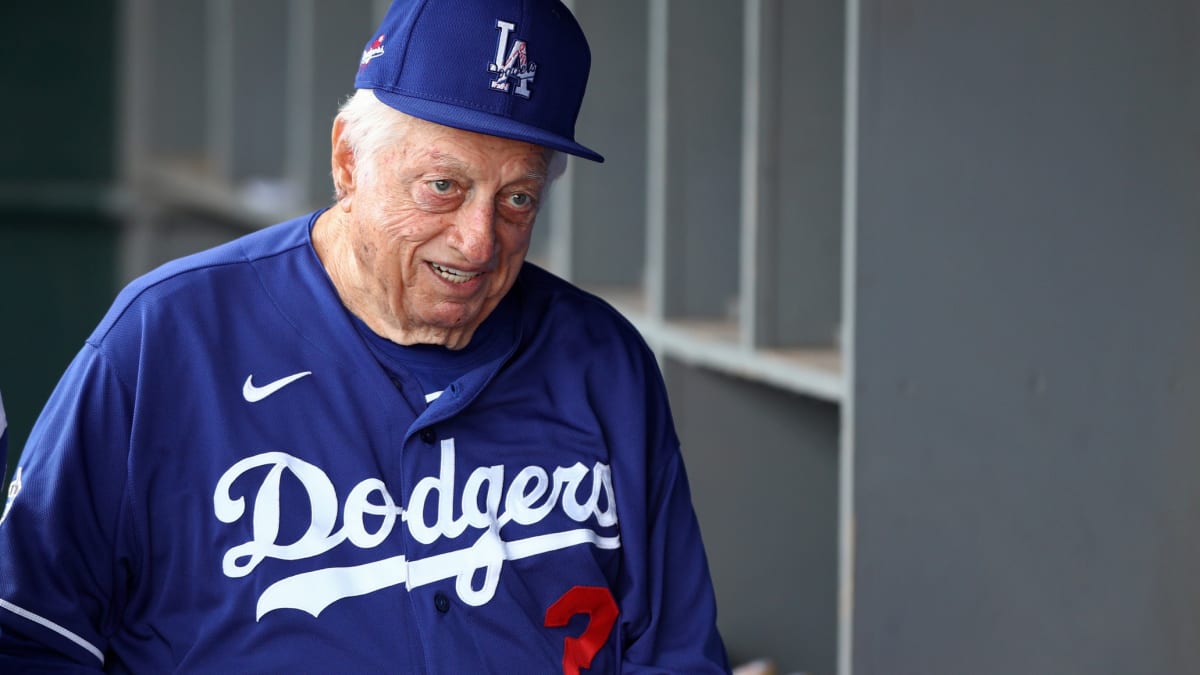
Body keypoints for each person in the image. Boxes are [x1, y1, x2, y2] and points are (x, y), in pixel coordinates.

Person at [0, 0, 729, 672]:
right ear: (348, 159)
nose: (479, 241)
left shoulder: (604, 362)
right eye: (442, 186)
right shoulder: (167, 339)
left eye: (517, 197)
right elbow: (30, 631)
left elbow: (676, 651)